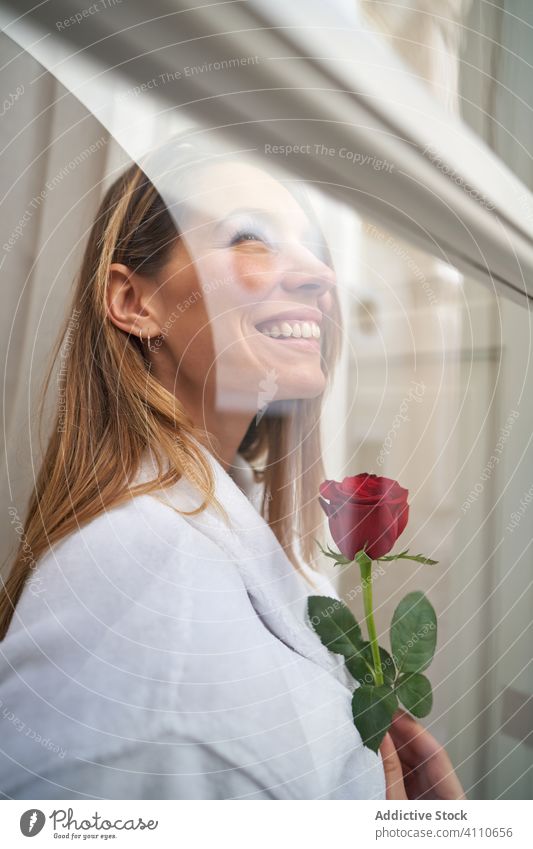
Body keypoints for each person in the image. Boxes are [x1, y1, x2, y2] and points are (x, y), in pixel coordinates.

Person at [0, 137, 465, 800]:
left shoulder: (235, 536)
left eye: (312, 247)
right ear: (135, 302)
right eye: (251, 237)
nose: (320, 276)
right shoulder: (135, 570)